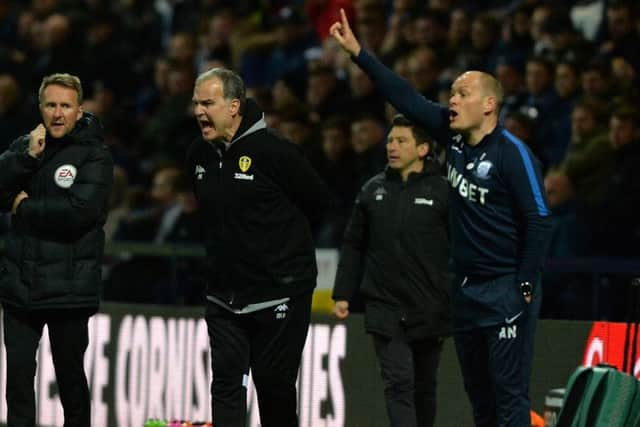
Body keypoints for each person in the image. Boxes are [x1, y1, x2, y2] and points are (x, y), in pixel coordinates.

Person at [331, 9, 552, 427]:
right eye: (451, 92)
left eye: (463, 93)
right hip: (466, 292)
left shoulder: (513, 155)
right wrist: (359, 54)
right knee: (479, 398)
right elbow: (406, 97)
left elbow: (540, 220)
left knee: (509, 398)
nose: (452, 99)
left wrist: (524, 281)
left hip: (505, 288)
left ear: (489, 105)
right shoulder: (452, 137)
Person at [185, 67, 330, 427]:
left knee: (273, 383)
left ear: (234, 106)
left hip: (278, 291)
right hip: (224, 294)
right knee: (225, 383)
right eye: (196, 104)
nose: (199, 111)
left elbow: (320, 203)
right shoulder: (198, 155)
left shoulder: (275, 152)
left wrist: (279, 250)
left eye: (208, 103)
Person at [0, 73, 113, 427]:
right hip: (21, 286)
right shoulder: (27, 146)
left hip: (69, 289)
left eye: (66, 106)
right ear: (41, 108)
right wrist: (26, 159)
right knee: (18, 382)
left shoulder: (94, 155)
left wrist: (23, 208)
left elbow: (79, 214)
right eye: (51, 105)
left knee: (70, 383)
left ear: (80, 111)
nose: (58, 113)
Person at [332, 114, 451, 427]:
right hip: (384, 306)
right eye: (390, 141)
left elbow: (460, 248)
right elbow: (353, 243)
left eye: (401, 141)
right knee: (398, 383)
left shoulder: (443, 192)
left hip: (430, 306)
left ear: (423, 148)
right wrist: (343, 292)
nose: (392, 147)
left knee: (424, 388)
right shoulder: (373, 190)